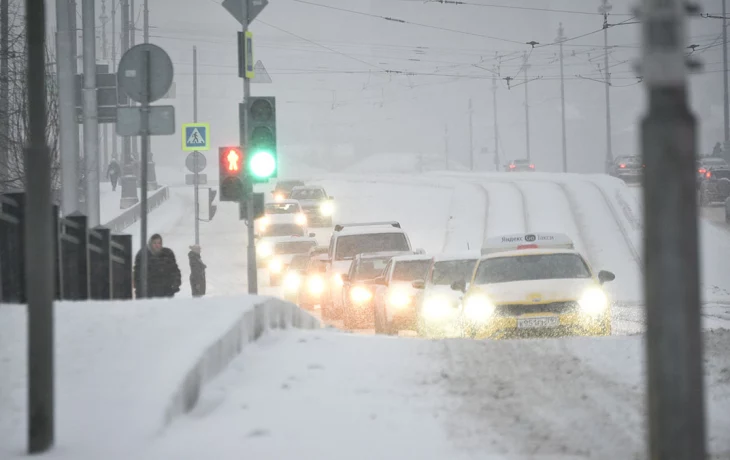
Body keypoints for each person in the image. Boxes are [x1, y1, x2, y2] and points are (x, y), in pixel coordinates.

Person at [134, 234, 181, 299]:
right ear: (150, 243)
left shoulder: (168, 254)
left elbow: (175, 271)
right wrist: (140, 292)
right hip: (149, 295)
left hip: (166, 294)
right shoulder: (142, 255)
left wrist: (175, 284)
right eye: (154, 243)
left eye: (159, 243)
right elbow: (137, 275)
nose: (157, 245)